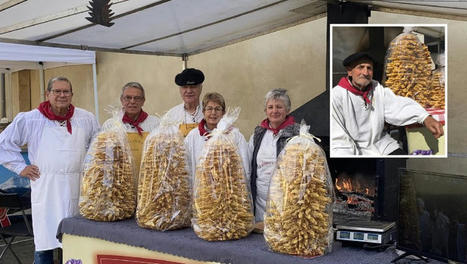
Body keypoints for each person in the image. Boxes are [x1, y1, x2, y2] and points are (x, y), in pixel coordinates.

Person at [0, 76, 99, 264]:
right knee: (44, 243)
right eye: (57, 91)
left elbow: (98, 143)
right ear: (47, 94)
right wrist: (21, 167)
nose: (62, 95)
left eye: (66, 91)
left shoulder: (85, 118)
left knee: (75, 242)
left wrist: (92, 169)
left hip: (76, 188)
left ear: (72, 94)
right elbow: (3, 143)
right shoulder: (31, 118)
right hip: (46, 189)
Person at [331, 52, 444, 156]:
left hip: (381, 143)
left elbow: (398, 106)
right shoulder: (337, 95)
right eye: (360, 67)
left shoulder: (377, 89)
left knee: (401, 162)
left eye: (369, 68)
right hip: (354, 149)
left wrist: (425, 118)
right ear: (350, 71)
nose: (365, 73)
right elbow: (339, 137)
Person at [248, 88, 300, 222]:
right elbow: (249, 165)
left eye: (279, 107)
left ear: (287, 110)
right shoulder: (258, 134)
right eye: (270, 107)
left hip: (285, 201)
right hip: (260, 201)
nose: (274, 111)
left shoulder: (297, 134)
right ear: (265, 111)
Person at [102, 82, 160, 186]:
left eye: (137, 98)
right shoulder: (110, 125)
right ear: (122, 100)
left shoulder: (155, 124)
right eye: (128, 98)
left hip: (148, 183)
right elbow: (103, 156)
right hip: (119, 184)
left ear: (143, 101)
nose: (132, 101)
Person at [185, 92, 250, 180]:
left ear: (223, 112)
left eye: (217, 109)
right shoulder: (193, 136)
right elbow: (187, 165)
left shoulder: (235, 136)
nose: (213, 112)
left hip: (229, 189)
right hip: (202, 190)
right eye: (209, 109)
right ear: (203, 111)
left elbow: (245, 166)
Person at [166, 68, 204, 137]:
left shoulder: (210, 113)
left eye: (193, 87)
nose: (189, 91)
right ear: (180, 89)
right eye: (185, 87)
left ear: (201, 88)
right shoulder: (171, 116)